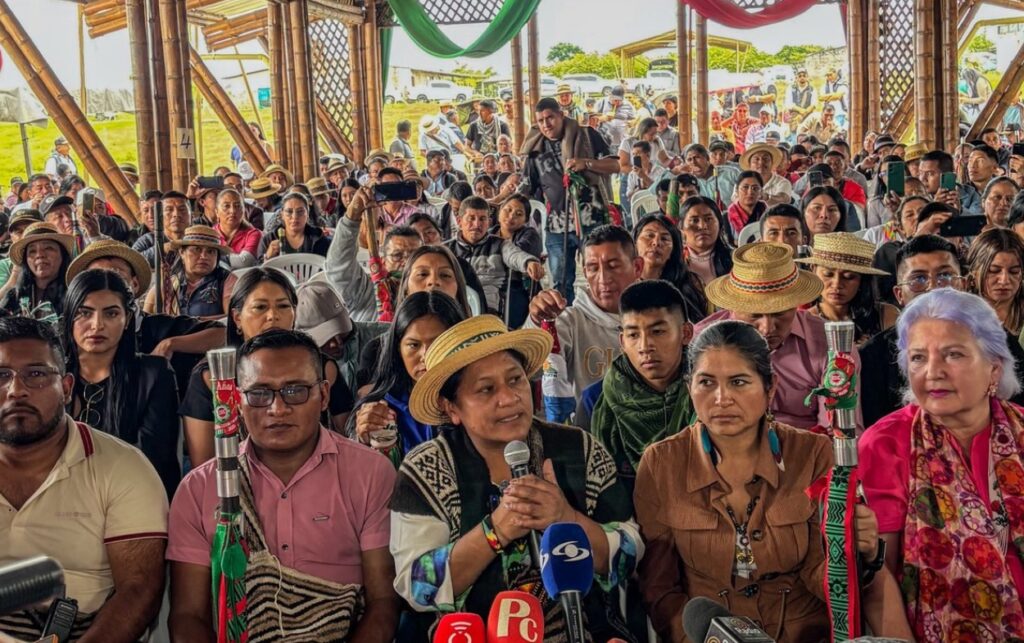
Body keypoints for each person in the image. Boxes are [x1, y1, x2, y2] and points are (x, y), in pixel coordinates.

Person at [636, 320, 908, 643]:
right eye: (706, 382)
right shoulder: (661, 464)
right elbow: (661, 591)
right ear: (689, 388)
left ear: (770, 388)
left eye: (739, 382)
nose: (721, 398)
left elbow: (823, 577)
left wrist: (857, 553)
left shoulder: (814, 454)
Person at [390, 316, 641, 639]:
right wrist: (496, 531)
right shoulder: (425, 469)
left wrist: (566, 517)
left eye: (516, 380)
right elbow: (416, 586)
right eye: (486, 389)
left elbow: (629, 557)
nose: (509, 398)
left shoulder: (578, 449)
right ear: (451, 407)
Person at [168, 330, 399, 642]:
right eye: (260, 394)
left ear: (325, 396)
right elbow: (188, 617)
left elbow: (383, 602)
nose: (277, 409)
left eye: (295, 391)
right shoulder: (199, 489)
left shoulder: (370, 473)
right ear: (237, 400)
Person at [859, 288, 1024, 641]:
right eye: (918, 358)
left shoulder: (1021, 431)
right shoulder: (886, 444)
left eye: (953, 355)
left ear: (994, 368)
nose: (933, 372)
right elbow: (878, 578)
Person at [0, 317, 166, 641]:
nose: (16, 390)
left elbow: (139, 590)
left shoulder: (123, 469)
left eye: (35, 374)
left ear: (65, 389)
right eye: (1, 375)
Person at [178, 268, 353, 465]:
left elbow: (347, 438)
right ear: (237, 318)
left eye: (283, 306)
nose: (273, 316)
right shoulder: (212, 377)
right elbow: (204, 466)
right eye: (260, 307)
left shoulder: (322, 368)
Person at [696, 242, 862, 430]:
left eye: (779, 313)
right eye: (754, 315)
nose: (767, 328)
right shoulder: (702, 343)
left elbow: (840, 430)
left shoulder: (833, 346)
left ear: (796, 304)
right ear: (732, 307)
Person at [62, 268, 180, 497]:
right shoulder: (50, 375)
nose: (97, 325)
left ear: (127, 320)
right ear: (69, 317)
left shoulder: (154, 374)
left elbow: (155, 459)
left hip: (131, 501)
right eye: (84, 313)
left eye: (111, 314)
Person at [526, 225, 642, 416]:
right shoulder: (569, 322)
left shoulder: (657, 316)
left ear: (637, 267)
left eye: (613, 266)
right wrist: (536, 322)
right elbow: (531, 369)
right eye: (593, 268)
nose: (603, 278)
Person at [587, 280, 693, 486]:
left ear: (685, 333)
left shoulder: (708, 394)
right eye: (633, 335)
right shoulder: (594, 400)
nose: (645, 346)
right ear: (622, 342)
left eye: (658, 332)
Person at [519, 97, 618, 304]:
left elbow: (615, 166)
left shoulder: (588, 135)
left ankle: (600, 322)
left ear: (561, 115)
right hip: (557, 225)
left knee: (601, 277)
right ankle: (565, 326)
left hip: (593, 220)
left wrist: (587, 163)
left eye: (550, 118)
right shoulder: (535, 150)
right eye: (540, 120)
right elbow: (528, 187)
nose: (546, 124)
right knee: (560, 282)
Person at [349, 291, 466, 461]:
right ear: (398, 348)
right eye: (413, 345)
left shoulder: (475, 398)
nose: (425, 356)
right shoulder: (384, 409)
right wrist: (362, 440)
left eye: (438, 343)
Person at [445, 196, 544, 314]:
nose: (477, 224)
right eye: (471, 218)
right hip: (454, 309)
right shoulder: (447, 250)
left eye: (482, 219)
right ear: (459, 221)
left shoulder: (499, 244)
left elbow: (515, 255)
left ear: (489, 222)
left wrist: (529, 262)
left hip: (488, 311)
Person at [796, 233, 898, 344]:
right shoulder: (803, 322)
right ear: (814, 270)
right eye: (828, 274)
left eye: (848, 277)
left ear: (862, 279)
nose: (837, 284)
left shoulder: (886, 315)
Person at [145, 225, 235, 319]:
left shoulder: (226, 280)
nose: (204, 256)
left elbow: (232, 319)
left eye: (210, 251)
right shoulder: (168, 283)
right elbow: (146, 318)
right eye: (197, 249)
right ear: (182, 253)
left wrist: (191, 323)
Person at [634, 214, 708, 322]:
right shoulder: (624, 284)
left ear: (673, 251)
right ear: (635, 243)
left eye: (664, 238)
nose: (656, 243)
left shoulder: (689, 284)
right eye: (649, 235)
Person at [0, 222, 73, 319]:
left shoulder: (75, 292)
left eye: (48, 248)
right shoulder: (14, 296)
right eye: (32, 251)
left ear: (63, 255)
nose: (40, 255)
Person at [493, 194, 542, 327]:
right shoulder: (490, 234)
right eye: (508, 210)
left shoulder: (530, 236)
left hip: (518, 289)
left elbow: (512, 258)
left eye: (518, 214)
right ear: (500, 210)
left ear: (525, 220)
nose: (511, 216)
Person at [967, 227, 1024, 335]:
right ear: (974, 272)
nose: (1004, 280)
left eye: (1014, 271)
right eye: (993, 271)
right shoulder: (958, 314)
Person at [257, 192, 330, 260]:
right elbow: (257, 270)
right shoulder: (269, 239)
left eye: (300, 211)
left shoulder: (319, 238)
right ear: (282, 215)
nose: (295, 216)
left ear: (307, 214)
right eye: (289, 211)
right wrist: (267, 257)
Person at [679, 196, 734, 288]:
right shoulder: (675, 261)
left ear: (719, 224)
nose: (702, 226)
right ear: (681, 227)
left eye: (708, 219)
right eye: (694, 220)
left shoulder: (735, 260)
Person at [919, 149, 983, 215]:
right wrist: (933, 207)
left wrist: (960, 211)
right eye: (920, 173)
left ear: (947, 175)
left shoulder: (970, 195)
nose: (922, 179)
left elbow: (979, 222)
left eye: (929, 173)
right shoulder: (917, 196)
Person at [684, 144, 740, 211]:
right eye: (689, 160)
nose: (693, 162)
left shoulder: (731, 173)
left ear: (707, 158)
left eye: (697, 157)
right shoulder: (690, 183)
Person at [740, 142, 792, 207]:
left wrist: (765, 197)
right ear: (750, 164)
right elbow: (737, 202)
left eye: (766, 159)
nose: (761, 162)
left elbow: (784, 199)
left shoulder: (782, 182)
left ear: (772, 163)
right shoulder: (742, 182)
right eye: (756, 159)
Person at [727, 170, 767, 243]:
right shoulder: (726, 217)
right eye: (745, 187)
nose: (750, 192)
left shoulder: (767, 214)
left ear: (761, 192)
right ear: (737, 190)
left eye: (755, 188)